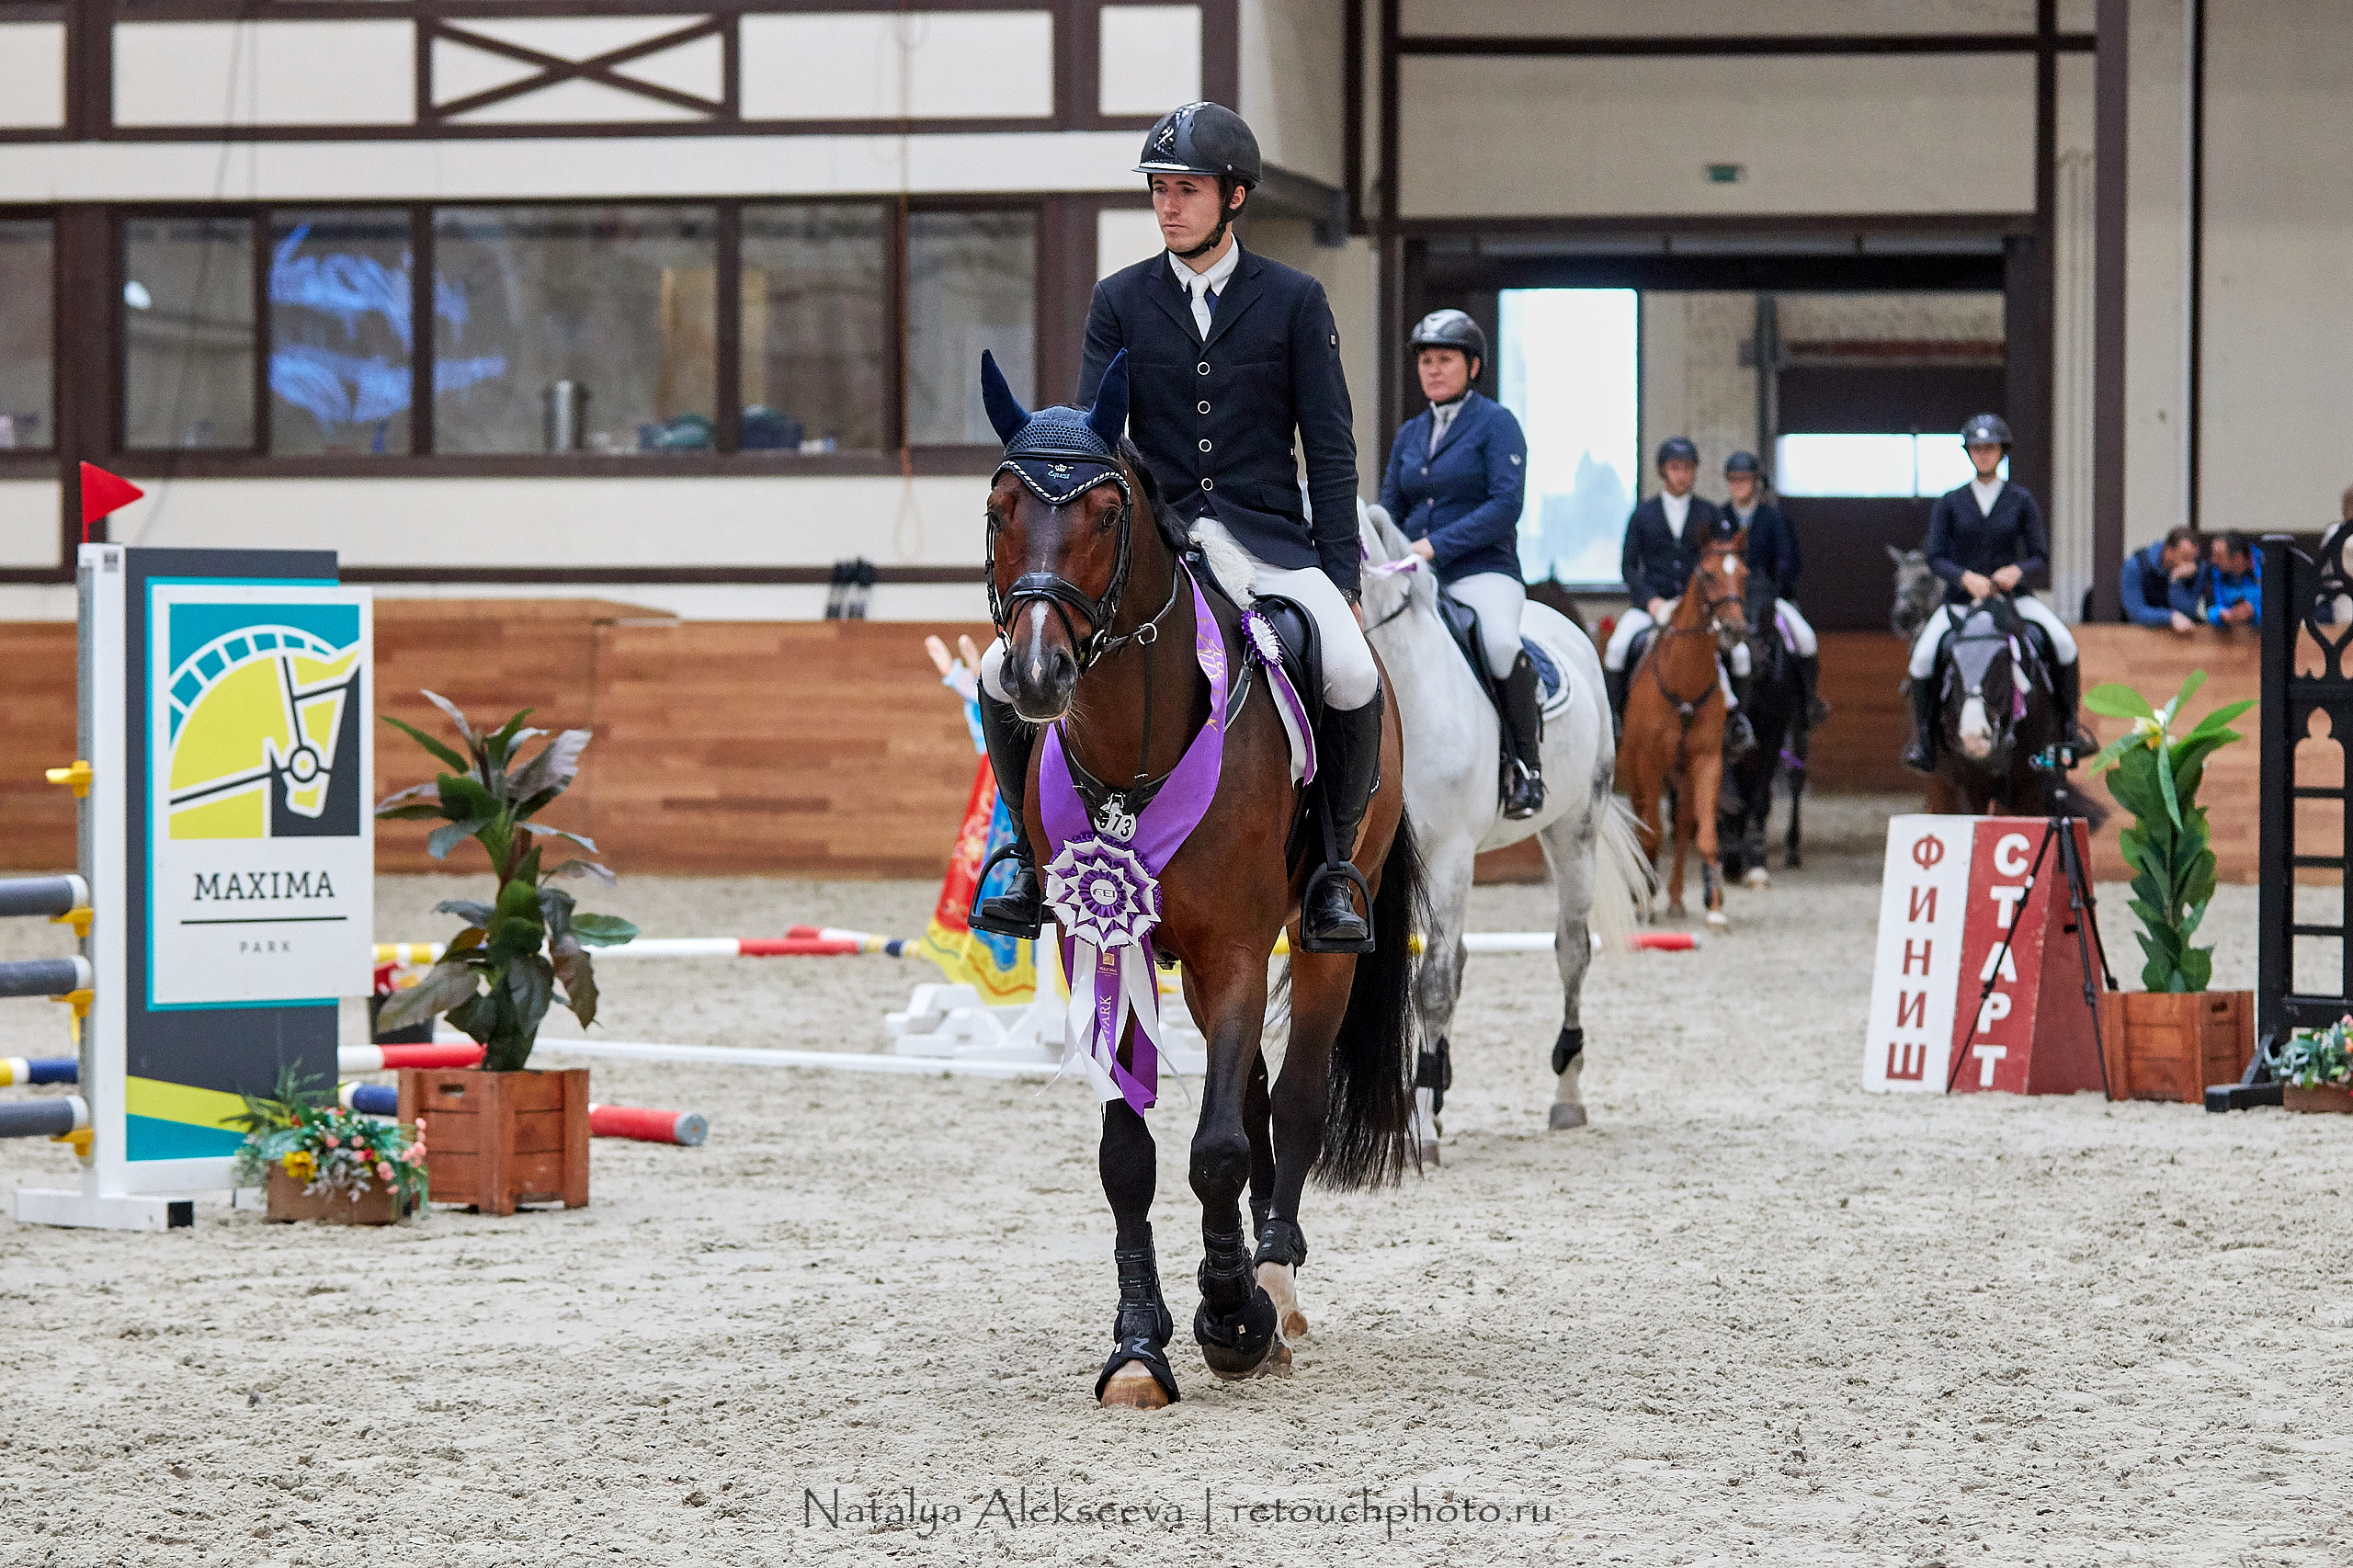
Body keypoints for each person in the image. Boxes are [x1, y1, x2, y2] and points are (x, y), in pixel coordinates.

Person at [971, 101, 1379, 950]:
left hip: (1267, 541)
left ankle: (1335, 869)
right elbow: (1093, 437)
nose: (1167, 206)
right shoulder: (1120, 299)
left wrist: (1340, 574)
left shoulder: (1295, 301)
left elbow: (1331, 448)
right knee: (1000, 671)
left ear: (1233, 198)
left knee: (1347, 668)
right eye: (1159, 190)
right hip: (1160, 545)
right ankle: (1020, 853)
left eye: (1185, 190)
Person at [1379, 308, 1542, 817]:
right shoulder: (1410, 433)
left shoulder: (1497, 425)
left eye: (1445, 359)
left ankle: (1525, 769)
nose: (1432, 369)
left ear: (1473, 367)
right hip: (1415, 576)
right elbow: (1389, 508)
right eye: (1426, 360)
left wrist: (1432, 547)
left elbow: (1504, 506)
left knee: (1497, 642)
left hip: (1482, 572)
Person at [1903, 414, 2087, 772]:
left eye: (1990, 448)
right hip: (1962, 602)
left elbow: (2040, 555)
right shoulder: (1950, 502)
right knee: (1922, 658)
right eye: (1977, 448)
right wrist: (1964, 577)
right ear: (1969, 453)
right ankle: (1925, 742)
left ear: (2002, 452)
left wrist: (2017, 570)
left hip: (2012, 599)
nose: (1983, 454)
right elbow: (1935, 556)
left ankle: (2069, 730)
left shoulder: (2020, 499)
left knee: (2064, 643)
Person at [1604, 437, 1753, 753]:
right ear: (1663, 471)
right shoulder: (1643, 514)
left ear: (1695, 471)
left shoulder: (1709, 513)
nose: (1681, 475)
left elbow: (1725, 561)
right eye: (1675, 468)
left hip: (1698, 608)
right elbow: (1629, 566)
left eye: (1687, 468)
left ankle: (1737, 721)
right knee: (1616, 647)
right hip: (1653, 605)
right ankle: (1615, 719)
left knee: (1738, 654)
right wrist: (1650, 600)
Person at [1721, 450, 1827, 727]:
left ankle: (1807, 704)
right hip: (1731, 600)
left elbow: (1789, 558)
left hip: (1771, 595)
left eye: (1745, 479)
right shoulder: (1719, 518)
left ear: (1757, 482)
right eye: (1733, 480)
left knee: (1805, 640)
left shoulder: (1773, 517)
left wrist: (1774, 586)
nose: (1739, 485)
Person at [2120, 526, 2204, 632]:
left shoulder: (2196, 568)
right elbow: (2136, 612)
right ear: (2168, 550)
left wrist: (2176, 581)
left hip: (2181, 638)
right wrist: (2170, 617)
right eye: (2185, 557)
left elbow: (2189, 612)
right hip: (2142, 635)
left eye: (2193, 557)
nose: (2190, 563)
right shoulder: (2135, 565)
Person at [2202, 531, 2261, 628]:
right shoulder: (2213, 571)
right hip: (2228, 636)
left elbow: (2276, 612)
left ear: (2238, 558)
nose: (2213, 560)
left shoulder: (2266, 567)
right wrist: (2220, 614)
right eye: (2213, 555)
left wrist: (2253, 613)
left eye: (2219, 556)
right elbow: (2210, 608)